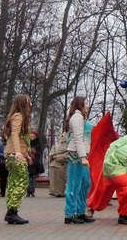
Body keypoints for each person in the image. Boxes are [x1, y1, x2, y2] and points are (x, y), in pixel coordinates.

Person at [3, 93, 33, 225]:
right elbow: (15, 134)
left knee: (14, 181)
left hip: (12, 154)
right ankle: (11, 211)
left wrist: (26, 155)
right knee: (22, 181)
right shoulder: (18, 116)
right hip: (14, 154)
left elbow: (22, 139)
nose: (30, 104)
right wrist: (18, 152)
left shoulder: (18, 116)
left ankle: (11, 210)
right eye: (28, 102)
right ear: (23, 104)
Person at [64, 96, 93, 224]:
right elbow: (78, 139)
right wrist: (82, 157)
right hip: (76, 155)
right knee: (74, 185)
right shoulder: (76, 118)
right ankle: (69, 214)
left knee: (85, 183)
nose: (88, 105)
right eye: (86, 103)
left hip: (82, 154)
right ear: (80, 104)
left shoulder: (81, 117)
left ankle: (80, 212)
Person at [48, 126, 68, 197]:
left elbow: (68, 152)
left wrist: (57, 157)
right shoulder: (62, 136)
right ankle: (55, 191)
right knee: (54, 175)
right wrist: (53, 155)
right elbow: (55, 146)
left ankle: (59, 191)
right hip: (56, 161)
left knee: (60, 176)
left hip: (62, 162)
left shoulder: (69, 138)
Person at [27, 129, 43, 197]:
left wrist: (35, 152)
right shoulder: (27, 143)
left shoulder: (38, 144)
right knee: (27, 177)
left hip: (34, 163)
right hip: (27, 162)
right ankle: (28, 191)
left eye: (33, 136)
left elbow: (40, 153)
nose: (32, 138)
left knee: (33, 178)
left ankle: (32, 191)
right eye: (31, 136)